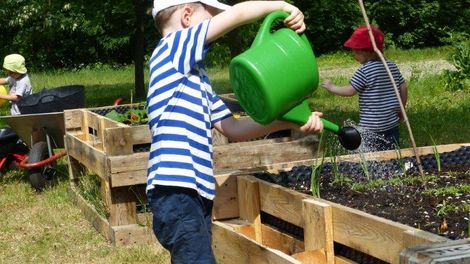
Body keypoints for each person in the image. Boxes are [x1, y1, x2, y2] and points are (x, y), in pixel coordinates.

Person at [146, 1, 324, 263]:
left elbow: (234, 128)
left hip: (195, 192)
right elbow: (239, 14)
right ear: (186, 16)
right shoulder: (174, 48)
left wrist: (288, 123)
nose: (219, 23)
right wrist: (282, 6)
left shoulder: (196, 79)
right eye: (213, 17)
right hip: (177, 189)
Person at [322, 25, 408, 151]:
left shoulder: (365, 71)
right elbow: (403, 86)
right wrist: (402, 109)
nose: (353, 55)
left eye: (355, 51)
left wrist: (332, 87)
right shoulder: (391, 66)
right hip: (391, 123)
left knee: (369, 156)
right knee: (392, 152)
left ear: (367, 51)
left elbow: (350, 91)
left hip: (371, 127)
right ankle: (394, 169)